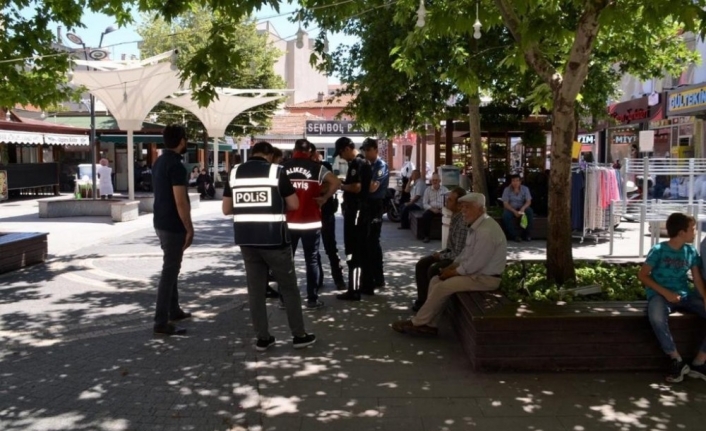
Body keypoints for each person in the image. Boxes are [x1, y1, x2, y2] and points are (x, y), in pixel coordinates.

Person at [222, 141, 316, 351]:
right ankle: (299, 335)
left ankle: (263, 338)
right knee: (289, 288)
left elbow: (226, 209)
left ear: (253, 153)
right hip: (274, 240)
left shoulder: (235, 172)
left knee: (255, 291)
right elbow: (294, 204)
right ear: (269, 155)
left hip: (247, 240)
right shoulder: (276, 172)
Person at [392, 193, 507, 336]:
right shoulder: (477, 225)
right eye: (463, 207)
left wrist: (452, 272)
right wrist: (450, 267)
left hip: (486, 279)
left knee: (443, 286)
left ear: (480, 209)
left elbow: (473, 265)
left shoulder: (485, 231)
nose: (464, 210)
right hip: (476, 274)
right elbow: (465, 253)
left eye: (468, 207)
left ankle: (419, 322)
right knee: (436, 279)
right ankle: (429, 324)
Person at [638, 212, 706, 382]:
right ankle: (676, 359)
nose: (695, 232)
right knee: (656, 317)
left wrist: (705, 298)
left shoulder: (691, 251)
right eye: (693, 229)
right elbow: (643, 275)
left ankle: (699, 362)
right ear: (682, 232)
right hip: (660, 296)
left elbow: (697, 278)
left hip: (684, 296)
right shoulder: (659, 250)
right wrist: (665, 293)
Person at [282, 139, 341, 309]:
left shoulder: (283, 168)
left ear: (294, 150)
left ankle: (285, 300)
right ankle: (312, 299)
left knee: (287, 261)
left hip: (288, 222)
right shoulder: (317, 168)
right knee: (311, 260)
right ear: (309, 152)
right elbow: (336, 182)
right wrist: (323, 197)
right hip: (311, 221)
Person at [151, 124, 194, 336]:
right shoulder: (176, 165)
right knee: (169, 271)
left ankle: (174, 310)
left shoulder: (159, 161)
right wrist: (189, 227)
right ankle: (161, 321)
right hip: (172, 225)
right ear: (182, 141)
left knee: (172, 266)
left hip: (160, 221)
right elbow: (180, 201)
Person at [412, 187, 467, 312]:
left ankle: (431, 305)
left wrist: (440, 257)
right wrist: (440, 254)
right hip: (450, 253)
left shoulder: (462, 222)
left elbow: (457, 254)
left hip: (458, 259)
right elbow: (450, 248)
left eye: (450, 200)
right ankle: (423, 300)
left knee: (433, 269)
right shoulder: (455, 217)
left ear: (459, 205)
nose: (446, 201)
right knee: (422, 263)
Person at [335, 136, 372, 301]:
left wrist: (340, 186)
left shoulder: (358, 163)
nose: (341, 157)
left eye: (341, 153)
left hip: (356, 212)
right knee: (362, 250)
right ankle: (366, 285)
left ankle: (354, 290)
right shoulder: (361, 162)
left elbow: (357, 187)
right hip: (359, 211)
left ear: (347, 148)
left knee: (353, 252)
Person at [310, 143, 346, 289]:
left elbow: (333, 184)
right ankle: (318, 279)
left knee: (331, 247)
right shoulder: (307, 169)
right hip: (313, 213)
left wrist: (316, 189)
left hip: (327, 212)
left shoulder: (324, 166)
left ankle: (338, 278)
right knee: (314, 249)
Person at [360, 138, 389, 294]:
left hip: (375, 206)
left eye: (368, 150)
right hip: (367, 206)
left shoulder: (380, 166)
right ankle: (371, 276)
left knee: (373, 242)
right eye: (364, 150)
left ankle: (378, 277)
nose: (365, 153)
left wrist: (360, 186)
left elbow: (372, 188)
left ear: (375, 150)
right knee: (367, 242)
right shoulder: (367, 165)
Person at [501, 174, 533, 242]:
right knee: (505, 216)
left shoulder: (525, 189)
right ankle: (515, 236)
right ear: (511, 182)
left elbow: (528, 201)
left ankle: (526, 234)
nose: (515, 183)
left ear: (520, 181)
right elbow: (505, 204)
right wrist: (514, 211)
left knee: (529, 212)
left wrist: (523, 208)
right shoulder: (507, 190)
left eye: (517, 181)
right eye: (513, 181)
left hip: (522, 207)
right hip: (511, 208)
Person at [419, 173, 448, 243]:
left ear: (439, 181)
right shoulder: (427, 190)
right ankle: (426, 236)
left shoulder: (445, 190)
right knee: (425, 216)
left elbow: (448, 202)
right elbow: (425, 204)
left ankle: (445, 237)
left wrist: (443, 209)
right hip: (432, 209)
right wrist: (432, 209)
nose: (434, 182)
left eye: (436, 180)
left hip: (442, 209)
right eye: (433, 180)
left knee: (448, 217)